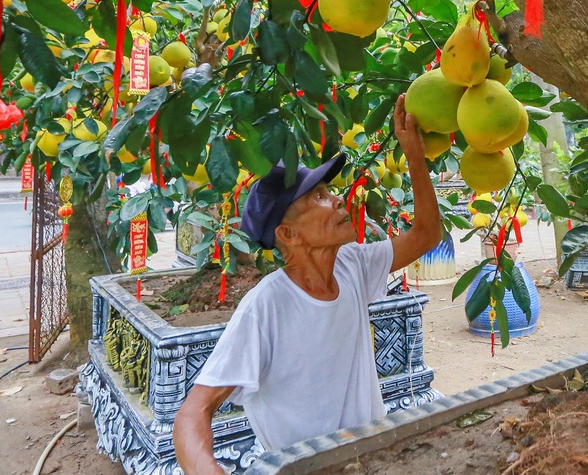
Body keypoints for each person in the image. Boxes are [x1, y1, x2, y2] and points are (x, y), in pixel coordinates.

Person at [174, 96, 441, 474]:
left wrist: (414, 154)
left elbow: (427, 235)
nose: (336, 200)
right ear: (288, 234)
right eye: (318, 196)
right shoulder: (266, 306)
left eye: (329, 191)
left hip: (371, 459)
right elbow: (192, 413)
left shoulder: (352, 265)